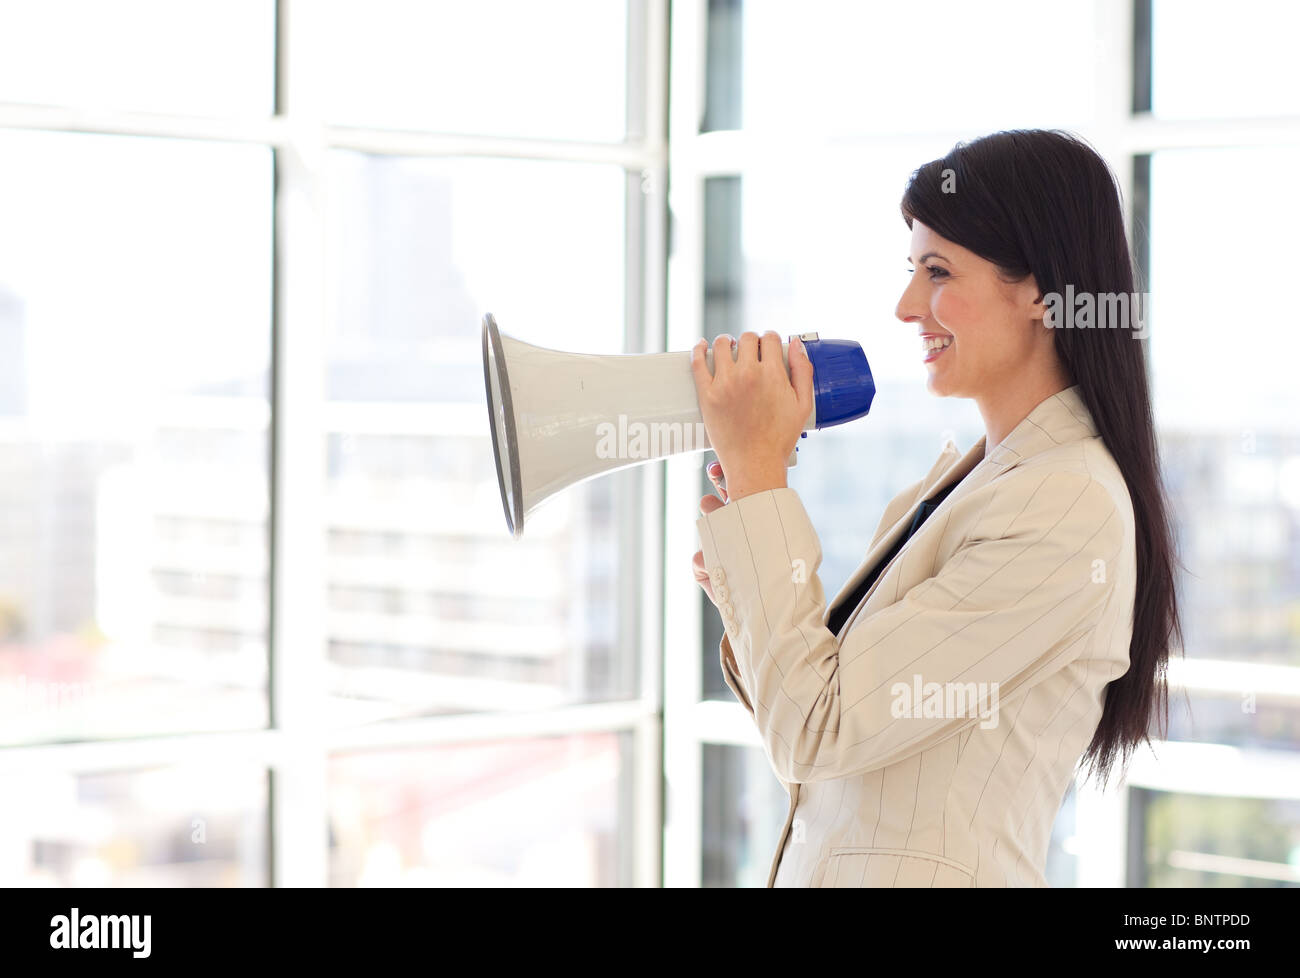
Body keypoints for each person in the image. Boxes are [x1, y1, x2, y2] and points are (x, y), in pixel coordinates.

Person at [690, 128, 1183, 888]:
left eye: (938, 271)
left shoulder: (1063, 506)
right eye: (911, 270)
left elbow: (816, 729)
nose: (906, 304)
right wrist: (746, 581)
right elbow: (826, 727)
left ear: (1044, 296)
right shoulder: (966, 484)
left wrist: (761, 481)